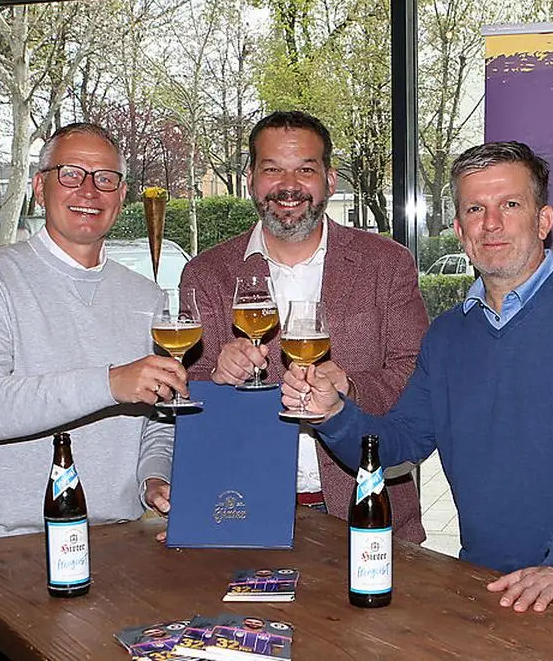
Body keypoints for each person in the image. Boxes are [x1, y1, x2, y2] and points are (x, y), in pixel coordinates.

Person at [283, 141, 553, 617]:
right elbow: (399, 443)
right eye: (475, 208)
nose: (491, 223)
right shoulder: (448, 333)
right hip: (485, 585)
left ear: (543, 221)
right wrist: (334, 413)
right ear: (459, 229)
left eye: (510, 205)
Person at [180, 111, 427, 542]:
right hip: (245, 514)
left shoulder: (387, 264)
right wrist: (217, 381)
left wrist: (350, 386)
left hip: (369, 515)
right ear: (252, 179)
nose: (288, 186)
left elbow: (417, 373)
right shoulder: (206, 274)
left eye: (305, 170)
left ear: (330, 180)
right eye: (272, 169)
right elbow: (182, 394)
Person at [0, 122, 188, 543]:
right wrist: (110, 383)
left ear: (122, 194)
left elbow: (159, 420)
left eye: (105, 178)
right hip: (11, 542)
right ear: (39, 188)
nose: (89, 191)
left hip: (120, 537)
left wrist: (152, 477)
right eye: (71, 174)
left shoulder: (146, 297)